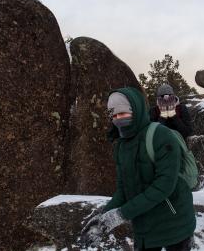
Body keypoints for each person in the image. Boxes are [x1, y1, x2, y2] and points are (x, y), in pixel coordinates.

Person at [81, 87, 196, 251]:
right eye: (114, 115)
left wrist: (121, 215)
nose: (118, 119)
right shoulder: (121, 146)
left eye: (123, 113)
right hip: (146, 226)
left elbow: (164, 186)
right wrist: (102, 218)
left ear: (136, 109)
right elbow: (123, 191)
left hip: (176, 222)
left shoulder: (161, 136)